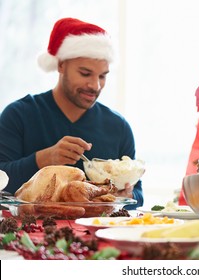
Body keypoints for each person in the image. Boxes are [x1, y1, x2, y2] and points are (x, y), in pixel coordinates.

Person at [0, 17, 143, 208]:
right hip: (30, 232)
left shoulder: (118, 127)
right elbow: (2, 181)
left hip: (98, 231)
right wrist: (43, 159)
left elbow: (138, 195)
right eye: (85, 73)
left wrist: (127, 194)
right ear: (61, 65)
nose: (95, 85)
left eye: (102, 76)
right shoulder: (18, 115)